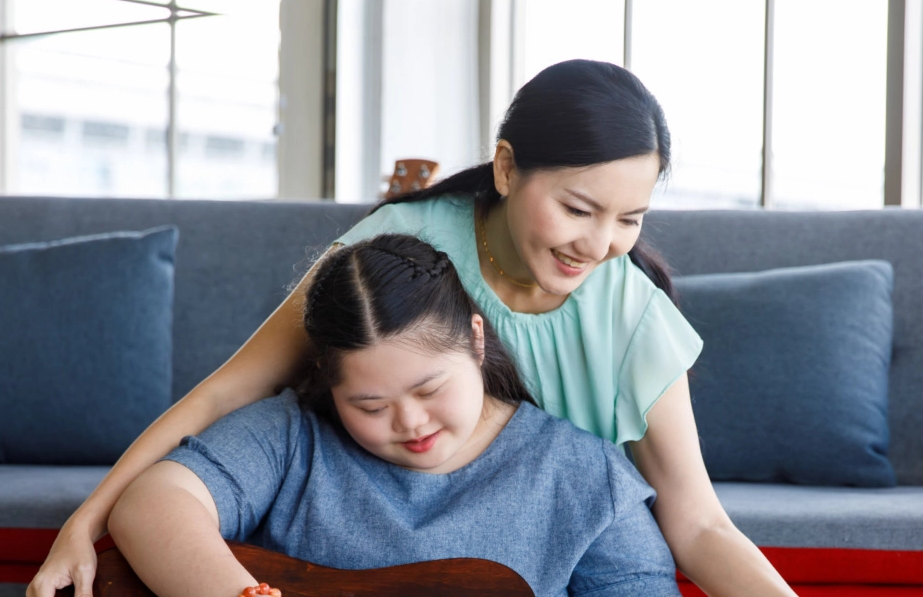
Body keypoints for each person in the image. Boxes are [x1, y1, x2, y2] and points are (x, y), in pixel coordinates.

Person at [28, 59, 793, 597]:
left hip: (534, 535)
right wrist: (88, 517)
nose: (596, 245)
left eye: (629, 219)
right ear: (505, 169)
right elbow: (230, 393)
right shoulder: (396, 250)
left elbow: (697, 525)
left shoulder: (631, 319)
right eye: (577, 208)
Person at [108, 234, 679, 597]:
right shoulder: (291, 438)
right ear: (330, 388)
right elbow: (153, 502)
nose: (410, 423)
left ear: (476, 342)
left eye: (430, 388)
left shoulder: (583, 474)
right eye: (370, 406)